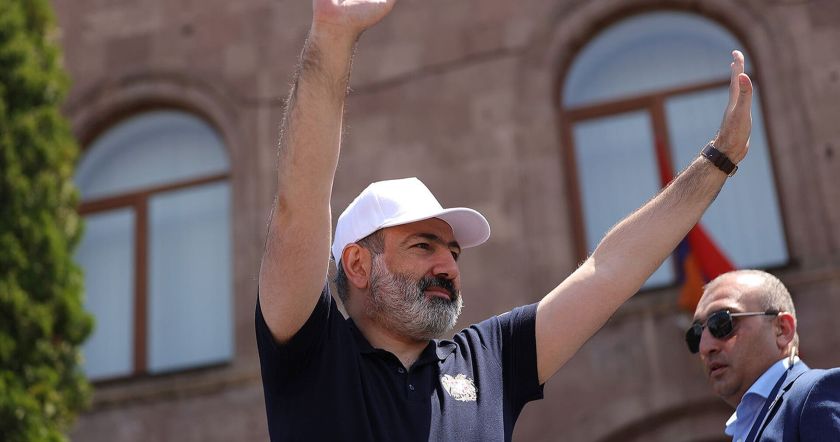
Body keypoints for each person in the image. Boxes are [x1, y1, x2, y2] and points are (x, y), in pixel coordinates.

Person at [256, 0, 753, 440]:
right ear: (358, 265)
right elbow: (299, 204)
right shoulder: (311, 353)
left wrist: (719, 161)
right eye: (423, 246)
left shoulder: (488, 360)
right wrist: (331, 38)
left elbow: (609, 270)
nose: (449, 268)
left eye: (453, 252)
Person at [688, 270, 840, 441]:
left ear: (782, 329)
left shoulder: (814, 394)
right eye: (696, 334)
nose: (705, 347)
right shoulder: (746, 425)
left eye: (722, 322)